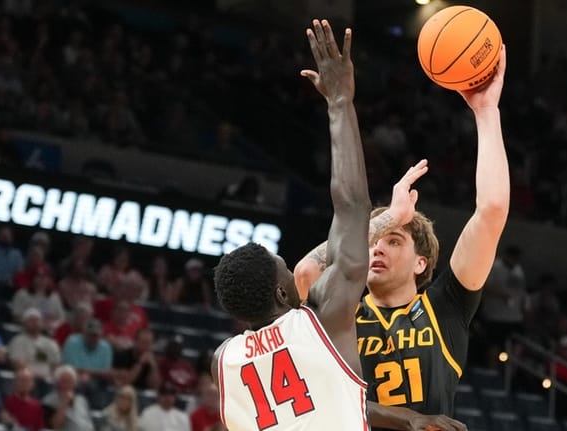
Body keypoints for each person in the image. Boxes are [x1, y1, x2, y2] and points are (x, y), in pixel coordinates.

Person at [212, 19, 463, 431]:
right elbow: (350, 204)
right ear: (280, 291)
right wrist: (340, 102)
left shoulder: (224, 359)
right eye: (285, 271)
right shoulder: (319, 317)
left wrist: (411, 419)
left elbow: (330, 399)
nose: (295, 273)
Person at [294, 44, 510, 426]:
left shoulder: (445, 308)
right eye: (374, 241)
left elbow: (491, 210)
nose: (377, 248)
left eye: (394, 241)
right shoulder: (345, 310)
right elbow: (306, 273)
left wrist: (486, 111)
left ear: (421, 262)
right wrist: (388, 219)